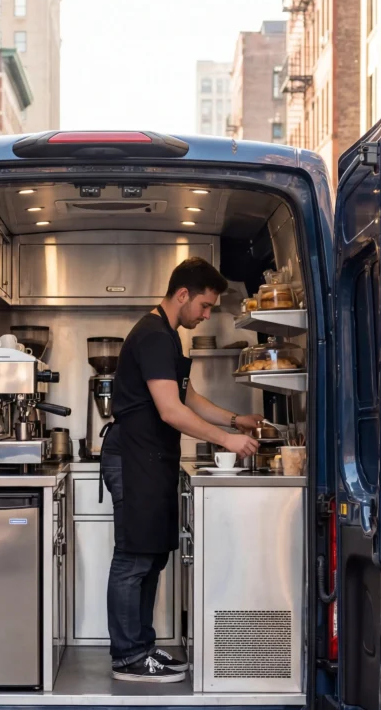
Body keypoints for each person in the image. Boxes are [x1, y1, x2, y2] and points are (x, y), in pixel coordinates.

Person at [101, 257, 261, 683]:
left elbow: (188, 397)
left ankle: (143, 649)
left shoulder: (168, 337)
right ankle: (128, 656)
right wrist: (225, 441)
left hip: (149, 459)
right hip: (133, 457)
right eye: (205, 306)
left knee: (150, 556)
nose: (207, 315)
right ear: (183, 294)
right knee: (134, 557)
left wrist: (233, 420)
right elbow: (171, 412)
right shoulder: (153, 336)